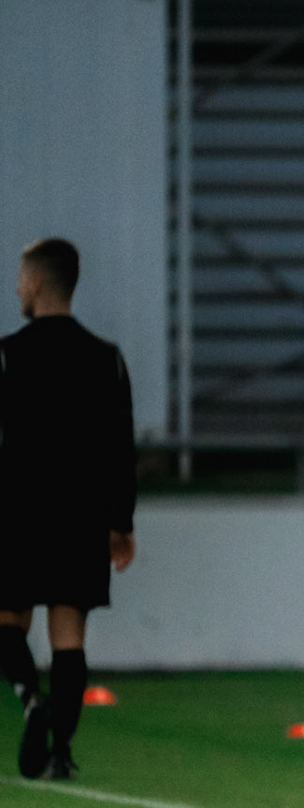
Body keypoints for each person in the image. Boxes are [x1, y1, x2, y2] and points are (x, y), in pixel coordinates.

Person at [0, 238, 136, 780]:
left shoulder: (8, 354)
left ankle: (32, 699)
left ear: (34, 284)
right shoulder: (107, 359)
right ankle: (61, 752)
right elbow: (121, 448)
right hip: (81, 516)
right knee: (68, 634)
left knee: (8, 620)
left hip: (18, 512)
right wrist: (120, 523)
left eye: (18, 278)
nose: (15, 288)